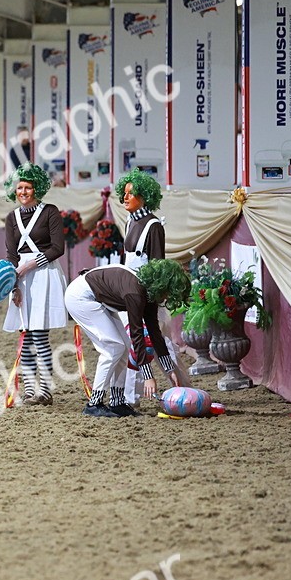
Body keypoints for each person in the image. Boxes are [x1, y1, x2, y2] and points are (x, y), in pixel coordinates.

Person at [64, 259, 190, 417]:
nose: (167, 298)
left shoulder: (150, 293)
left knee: (123, 347)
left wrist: (169, 370)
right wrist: (148, 377)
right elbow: (137, 335)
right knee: (113, 348)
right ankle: (94, 404)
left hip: (98, 298)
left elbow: (154, 334)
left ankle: (117, 402)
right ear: (162, 285)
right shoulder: (135, 293)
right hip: (80, 297)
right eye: (168, 293)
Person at [116, 169, 191, 402]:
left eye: (130, 194)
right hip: (127, 291)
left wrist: (151, 300)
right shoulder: (130, 221)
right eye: (124, 194)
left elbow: (157, 266)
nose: (125, 198)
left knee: (155, 340)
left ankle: (177, 383)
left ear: (144, 196)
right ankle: (130, 393)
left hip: (146, 294)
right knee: (132, 341)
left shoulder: (153, 226)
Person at [2, 164, 68, 405]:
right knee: (26, 334)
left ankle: (46, 390)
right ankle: (30, 390)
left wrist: (29, 266)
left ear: (36, 188)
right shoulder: (11, 217)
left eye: (28, 187)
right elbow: (11, 254)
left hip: (44, 273)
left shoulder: (50, 212)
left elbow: (58, 248)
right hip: (20, 276)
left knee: (39, 333)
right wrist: (13, 284)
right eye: (19, 187)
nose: (23, 191)